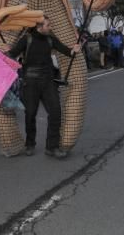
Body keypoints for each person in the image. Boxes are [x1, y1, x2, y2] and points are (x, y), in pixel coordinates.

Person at [7, 15, 79, 158]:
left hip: (48, 81)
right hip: (30, 82)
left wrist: (74, 50)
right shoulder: (26, 39)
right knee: (30, 114)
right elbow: (11, 55)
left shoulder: (50, 39)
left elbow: (67, 51)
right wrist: (6, 53)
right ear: (39, 27)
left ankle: (52, 147)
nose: (50, 27)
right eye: (48, 25)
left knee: (56, 112)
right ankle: (29, 144)